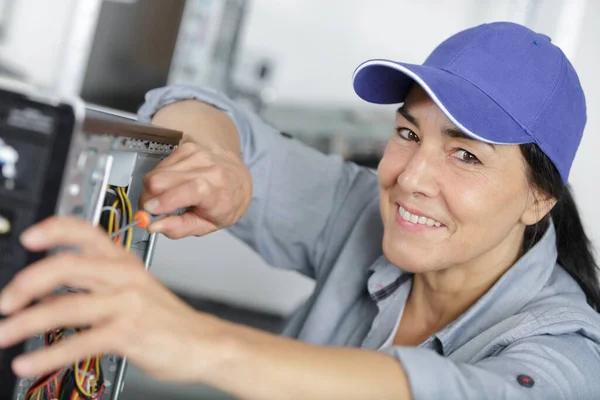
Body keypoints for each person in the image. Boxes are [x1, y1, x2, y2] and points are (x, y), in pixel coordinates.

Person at [0, 21, 599, 400]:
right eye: (409, 134)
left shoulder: (570, 353)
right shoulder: (363, 209)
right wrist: (218, 161)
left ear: (539, 197)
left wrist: (196, 339)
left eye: (466, 155)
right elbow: (192, 105)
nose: (411, 178)